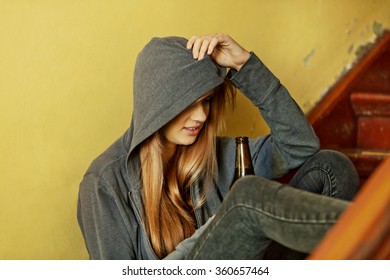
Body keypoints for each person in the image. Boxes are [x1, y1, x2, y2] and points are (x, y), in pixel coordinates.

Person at [77, 33, 360, 260]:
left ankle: (365, 235)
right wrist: (218, 228)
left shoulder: (218, 153)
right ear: (156, 104)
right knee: (247, 195)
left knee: (332, 167)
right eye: (188, 103)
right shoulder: (104, 183)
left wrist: (245, 65)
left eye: (207, 101)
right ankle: (373, 230)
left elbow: (301, 145)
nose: (201, 115)